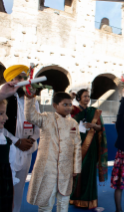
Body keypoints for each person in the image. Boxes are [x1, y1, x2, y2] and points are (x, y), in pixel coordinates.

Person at [25, 91, 82, 211]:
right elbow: (30, 116)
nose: (68, 107)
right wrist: (30, 97)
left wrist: (76, 168)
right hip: (47, 170)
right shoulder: (46, 118)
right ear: (55, 106)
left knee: (63, 202)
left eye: (70, 104)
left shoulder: (73, 123)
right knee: (46, 203)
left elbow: (77, 145)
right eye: (65, 104)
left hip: (66, 170)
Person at [3, 65, 41, 212]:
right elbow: (2, 127)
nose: (23, 81)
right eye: (19, 77)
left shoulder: (32, 101)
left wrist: (31, 139)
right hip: (8, 149)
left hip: (26, 149)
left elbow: (38, 125)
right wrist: (16, 141)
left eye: (25, 77)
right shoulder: (4, 99)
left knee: (19, 189)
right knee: (5, 187)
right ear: (10, 80)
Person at [70, 89, 108, 209]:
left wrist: (93, 125)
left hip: (91, 147)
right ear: (79, 98)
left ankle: (89, 199)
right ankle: (75, 198)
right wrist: (70, 98)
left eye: (88, 96)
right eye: (84, 96)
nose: (87, 98)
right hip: (76, 146)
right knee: (77, 172)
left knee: (89, 171)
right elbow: (64, 117)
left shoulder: (94, 111)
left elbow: (100, 128)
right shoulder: (74, 110)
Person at [0, 99, 20, 212]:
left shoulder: (8, 144)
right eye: (1, 114)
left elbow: (11, 172)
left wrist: (11, 198)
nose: (6, 117)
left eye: (5, 113)